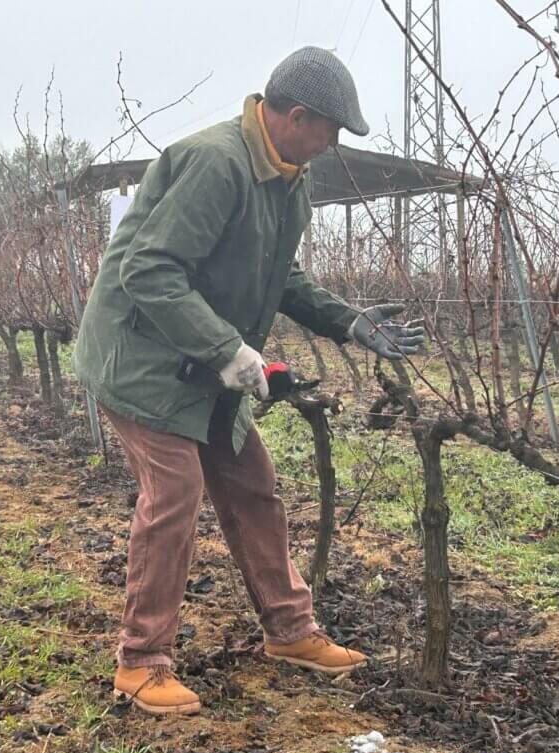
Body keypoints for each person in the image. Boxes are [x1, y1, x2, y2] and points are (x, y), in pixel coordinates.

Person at [73, 47, 425, 715]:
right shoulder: (216, 164)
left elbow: (279, 276)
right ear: (297, 116)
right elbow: (147, 272)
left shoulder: (287, 177)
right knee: (175, 492)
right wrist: (230, 351)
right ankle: (141, 660)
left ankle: (290, 632)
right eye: (330, 133)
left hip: (203, 359)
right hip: (143, 358)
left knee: (252, 486)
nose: (332, 147)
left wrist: (349, 322)